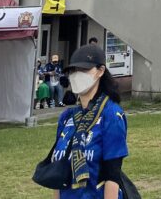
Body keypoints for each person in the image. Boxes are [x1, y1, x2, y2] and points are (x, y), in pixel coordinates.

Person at [47, 44, 129, 199]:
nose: (77, 75)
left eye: (84, 70)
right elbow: (58, 172)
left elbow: (112, 175)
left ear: (100, 71)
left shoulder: (111, 115)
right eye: (73, 70)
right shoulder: (66, 118)